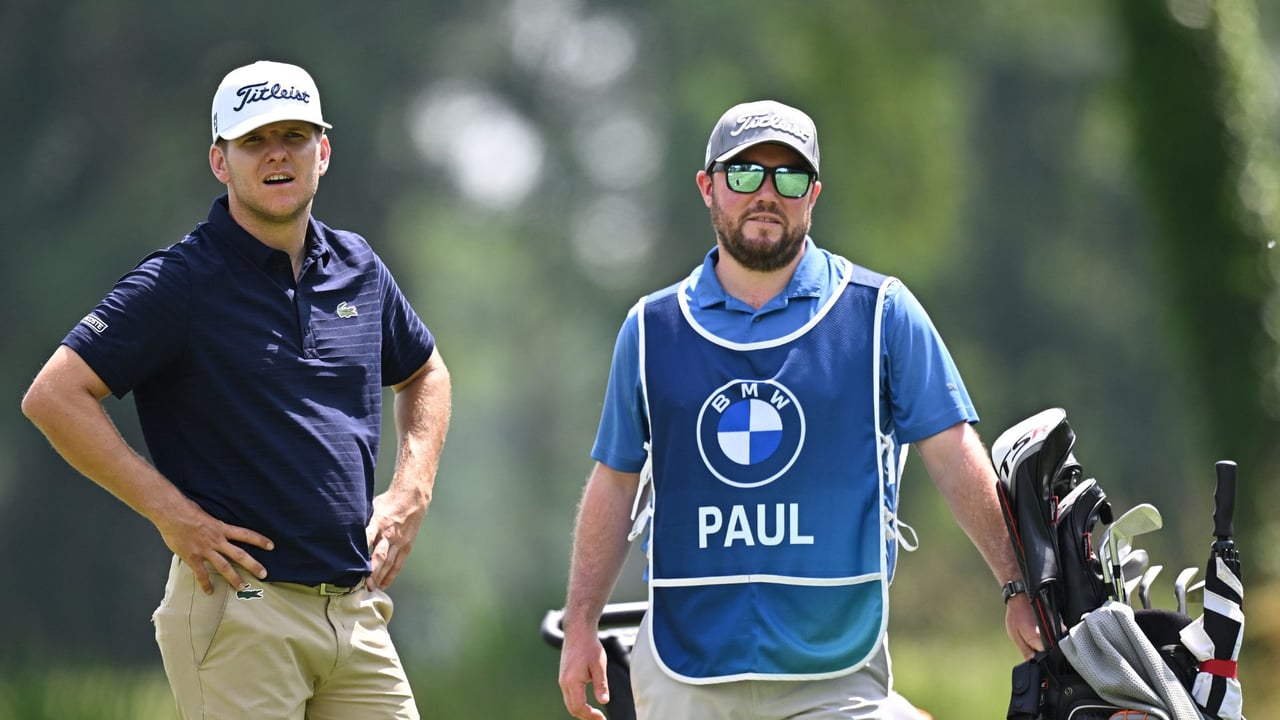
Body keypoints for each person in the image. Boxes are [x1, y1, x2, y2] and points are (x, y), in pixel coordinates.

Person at [556, 99, 1042, 720]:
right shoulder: (652, 329)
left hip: (834, 674)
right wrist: (580, 628)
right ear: (708, 187)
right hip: (686, 676)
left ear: (813, 195)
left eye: (787, 177)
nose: (765, 193)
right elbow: (615, 481)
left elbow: (953, 455)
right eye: (743, 174)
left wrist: (1017, 585)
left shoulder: (880, 313)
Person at [21, 60, 451, 719]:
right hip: (242, 610)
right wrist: (171, 513)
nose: (277, 155)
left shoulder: (360, 270)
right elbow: (54, 395)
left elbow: (425, 372)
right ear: (221, 162)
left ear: (323, 152)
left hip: (354, 612)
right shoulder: (180, 281)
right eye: (254, 141)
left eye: (294, 136)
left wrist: (411, 488)